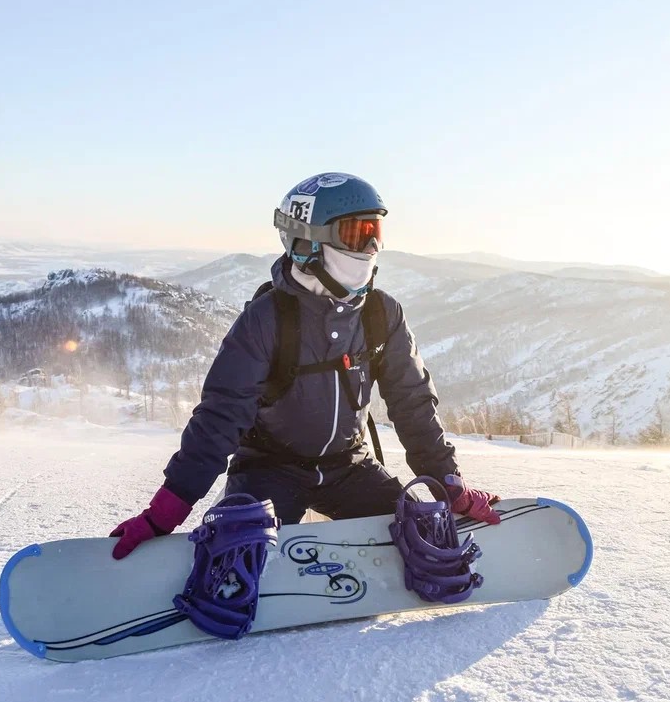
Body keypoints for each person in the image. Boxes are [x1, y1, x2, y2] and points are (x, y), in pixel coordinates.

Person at [111, 173, 500, 560]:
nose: (368, 247)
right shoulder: (267, 320)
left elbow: (413, 404)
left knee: (424, 540)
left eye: (374, 233)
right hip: (269, 468)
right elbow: (220, 419)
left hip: (349, 466)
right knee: (239, 556)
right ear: (307, 242)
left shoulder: (381, 314)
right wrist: (164, 513)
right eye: (354, 234)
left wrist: (450, 486)